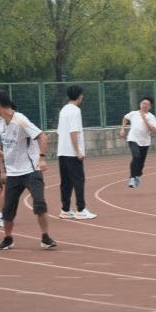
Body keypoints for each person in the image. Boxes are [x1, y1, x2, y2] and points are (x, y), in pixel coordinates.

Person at [0, 90, 56, 250]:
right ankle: (8, 238)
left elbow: (43, 136)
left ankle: (46, 237)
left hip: (31, 170)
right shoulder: (1, 121)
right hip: (13, 173)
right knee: (7, 209)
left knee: (39, 203)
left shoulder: (20, 120)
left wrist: (41, 158)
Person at [57, 85, 96, 220]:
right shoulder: (75, 110)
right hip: (72, 153)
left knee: (66, 182)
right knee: (79, 180)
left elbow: (61, 131)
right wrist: (78, 151)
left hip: (62, 151)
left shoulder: (64, 110)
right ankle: (81, 210)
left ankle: (65, 210)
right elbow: (73, 131)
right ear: (79, 96)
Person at [119, 95, 156, 188]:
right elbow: (125, 118)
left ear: (150, 107)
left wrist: (145, 119)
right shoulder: (133, 113)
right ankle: (132, 178)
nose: (145, 105)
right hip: (133, 139)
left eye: (147, 104)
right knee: (136, 156)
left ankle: (137, 175)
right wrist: (123, 129)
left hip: (145, 142)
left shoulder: (151, 117)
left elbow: (152, 129)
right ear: (140, 104)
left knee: (141, 162)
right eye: (143, 103)